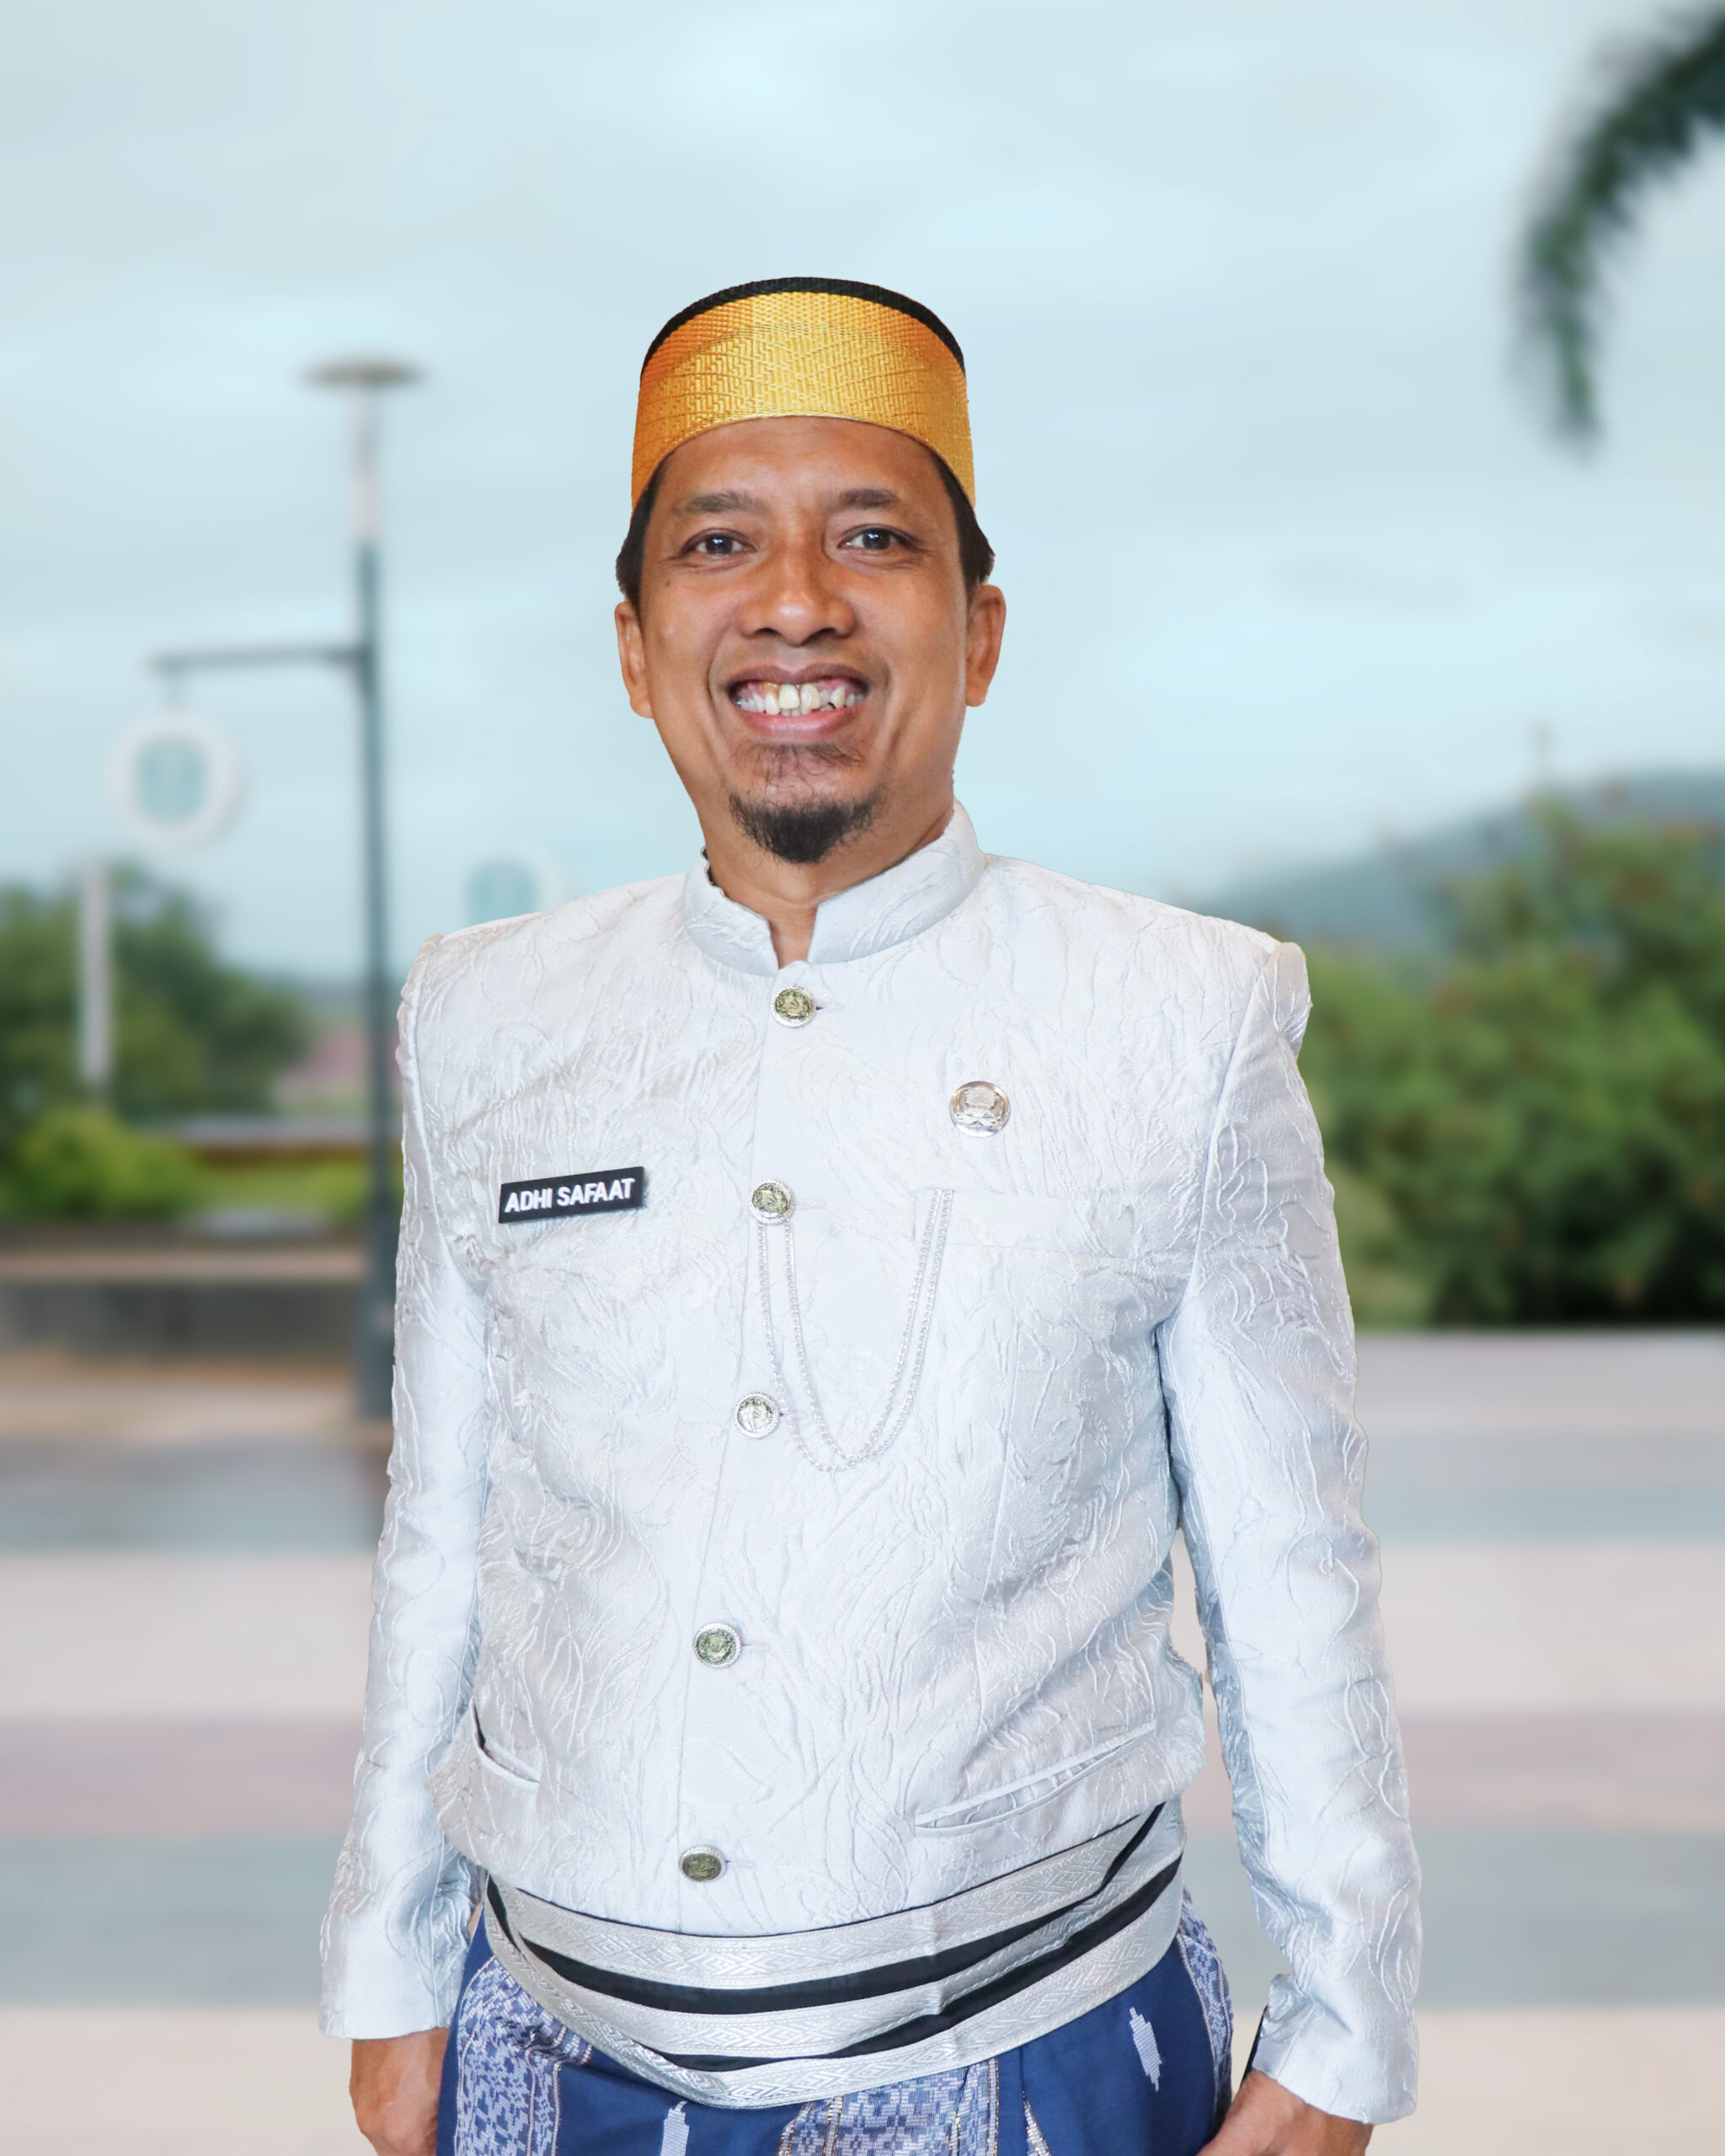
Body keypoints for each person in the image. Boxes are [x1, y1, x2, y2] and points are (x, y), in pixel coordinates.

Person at [322, 277, 1420, 2156]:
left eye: (874, 538)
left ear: (977, 631)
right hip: (543, 2052)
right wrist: (387, 1955)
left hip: (1031, 2052)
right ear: (635, 644)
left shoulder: (1184, 1015)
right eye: (718, 542)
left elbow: (1288, 1566)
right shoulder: (486, 1014)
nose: (795, 602)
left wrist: (1342, 2038)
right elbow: (444, 1534)